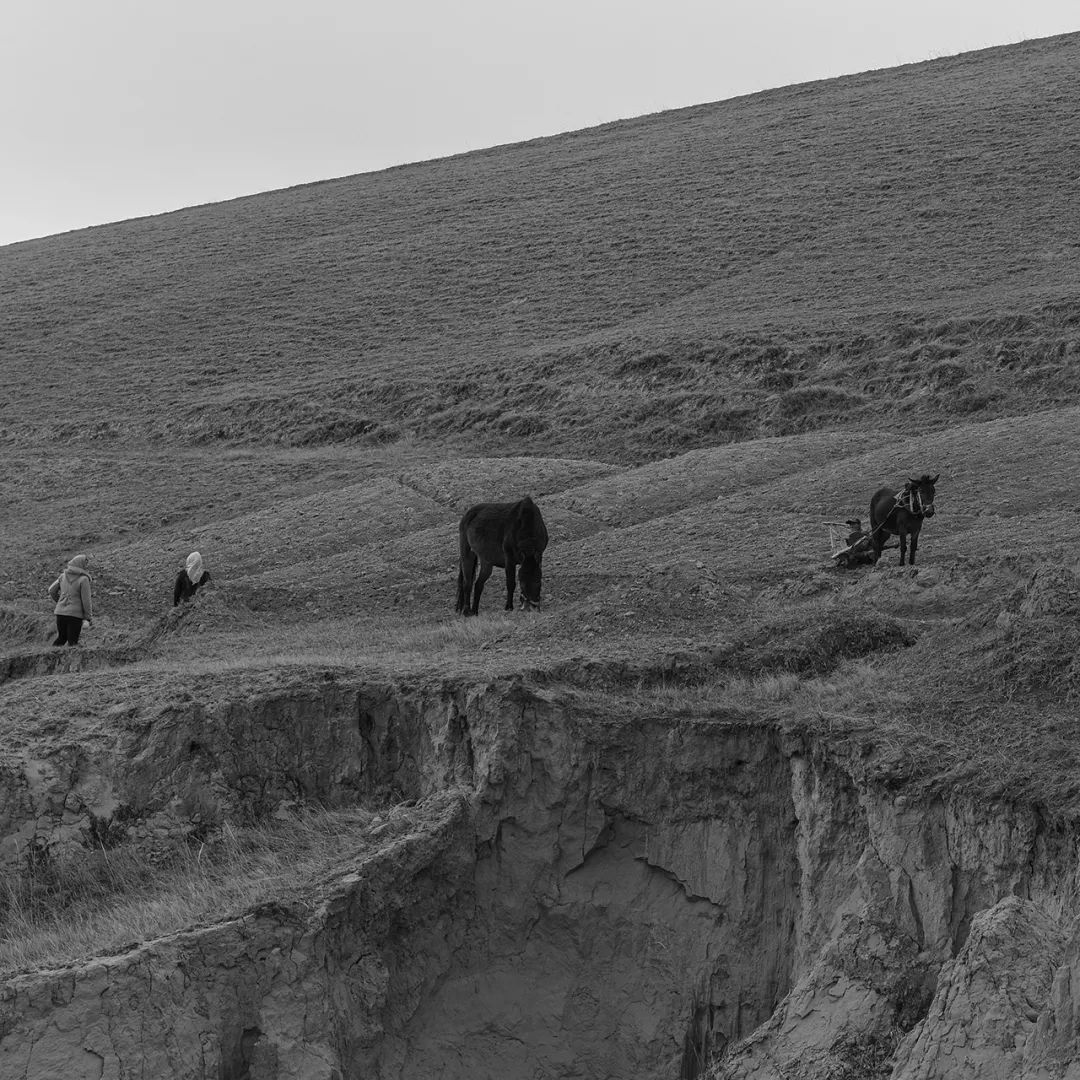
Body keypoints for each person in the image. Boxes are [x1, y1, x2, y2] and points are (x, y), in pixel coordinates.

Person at [48, 553, 94, 646]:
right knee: (73, 642)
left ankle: (50, 656)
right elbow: (86, 600)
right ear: (81, 565)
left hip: (60, 613)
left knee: (61, 639)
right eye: (86, 564)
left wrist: (60, 602)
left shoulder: (63, 576)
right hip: (75, 615)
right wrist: (88, 618)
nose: (87, 567)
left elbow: (51, 590)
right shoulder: (83, 579)